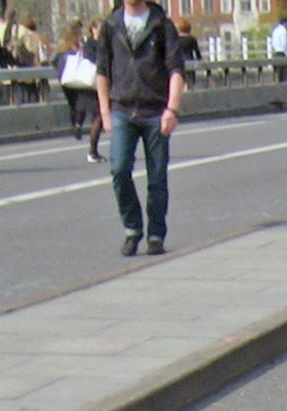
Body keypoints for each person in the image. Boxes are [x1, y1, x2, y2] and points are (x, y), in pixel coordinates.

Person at [95, 0, 186, 256]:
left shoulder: (162, 25)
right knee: (119, 169)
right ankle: (132, 228)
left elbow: (176, 70)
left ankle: (155, 233)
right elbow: (102, 71)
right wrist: (104, 111)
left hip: (155, 110)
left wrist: (172, 108)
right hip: (122, 109)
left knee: (157, 176)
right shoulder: (111, 25)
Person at [59, 21, 104, 159]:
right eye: (99, 27)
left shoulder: (104, 43)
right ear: (93, 29)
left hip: (97, 84)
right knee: (97, 116)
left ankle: (80, 129)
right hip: (89, 84)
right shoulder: (89, 44)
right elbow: (90, 59)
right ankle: (92, 151)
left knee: (95, 115)